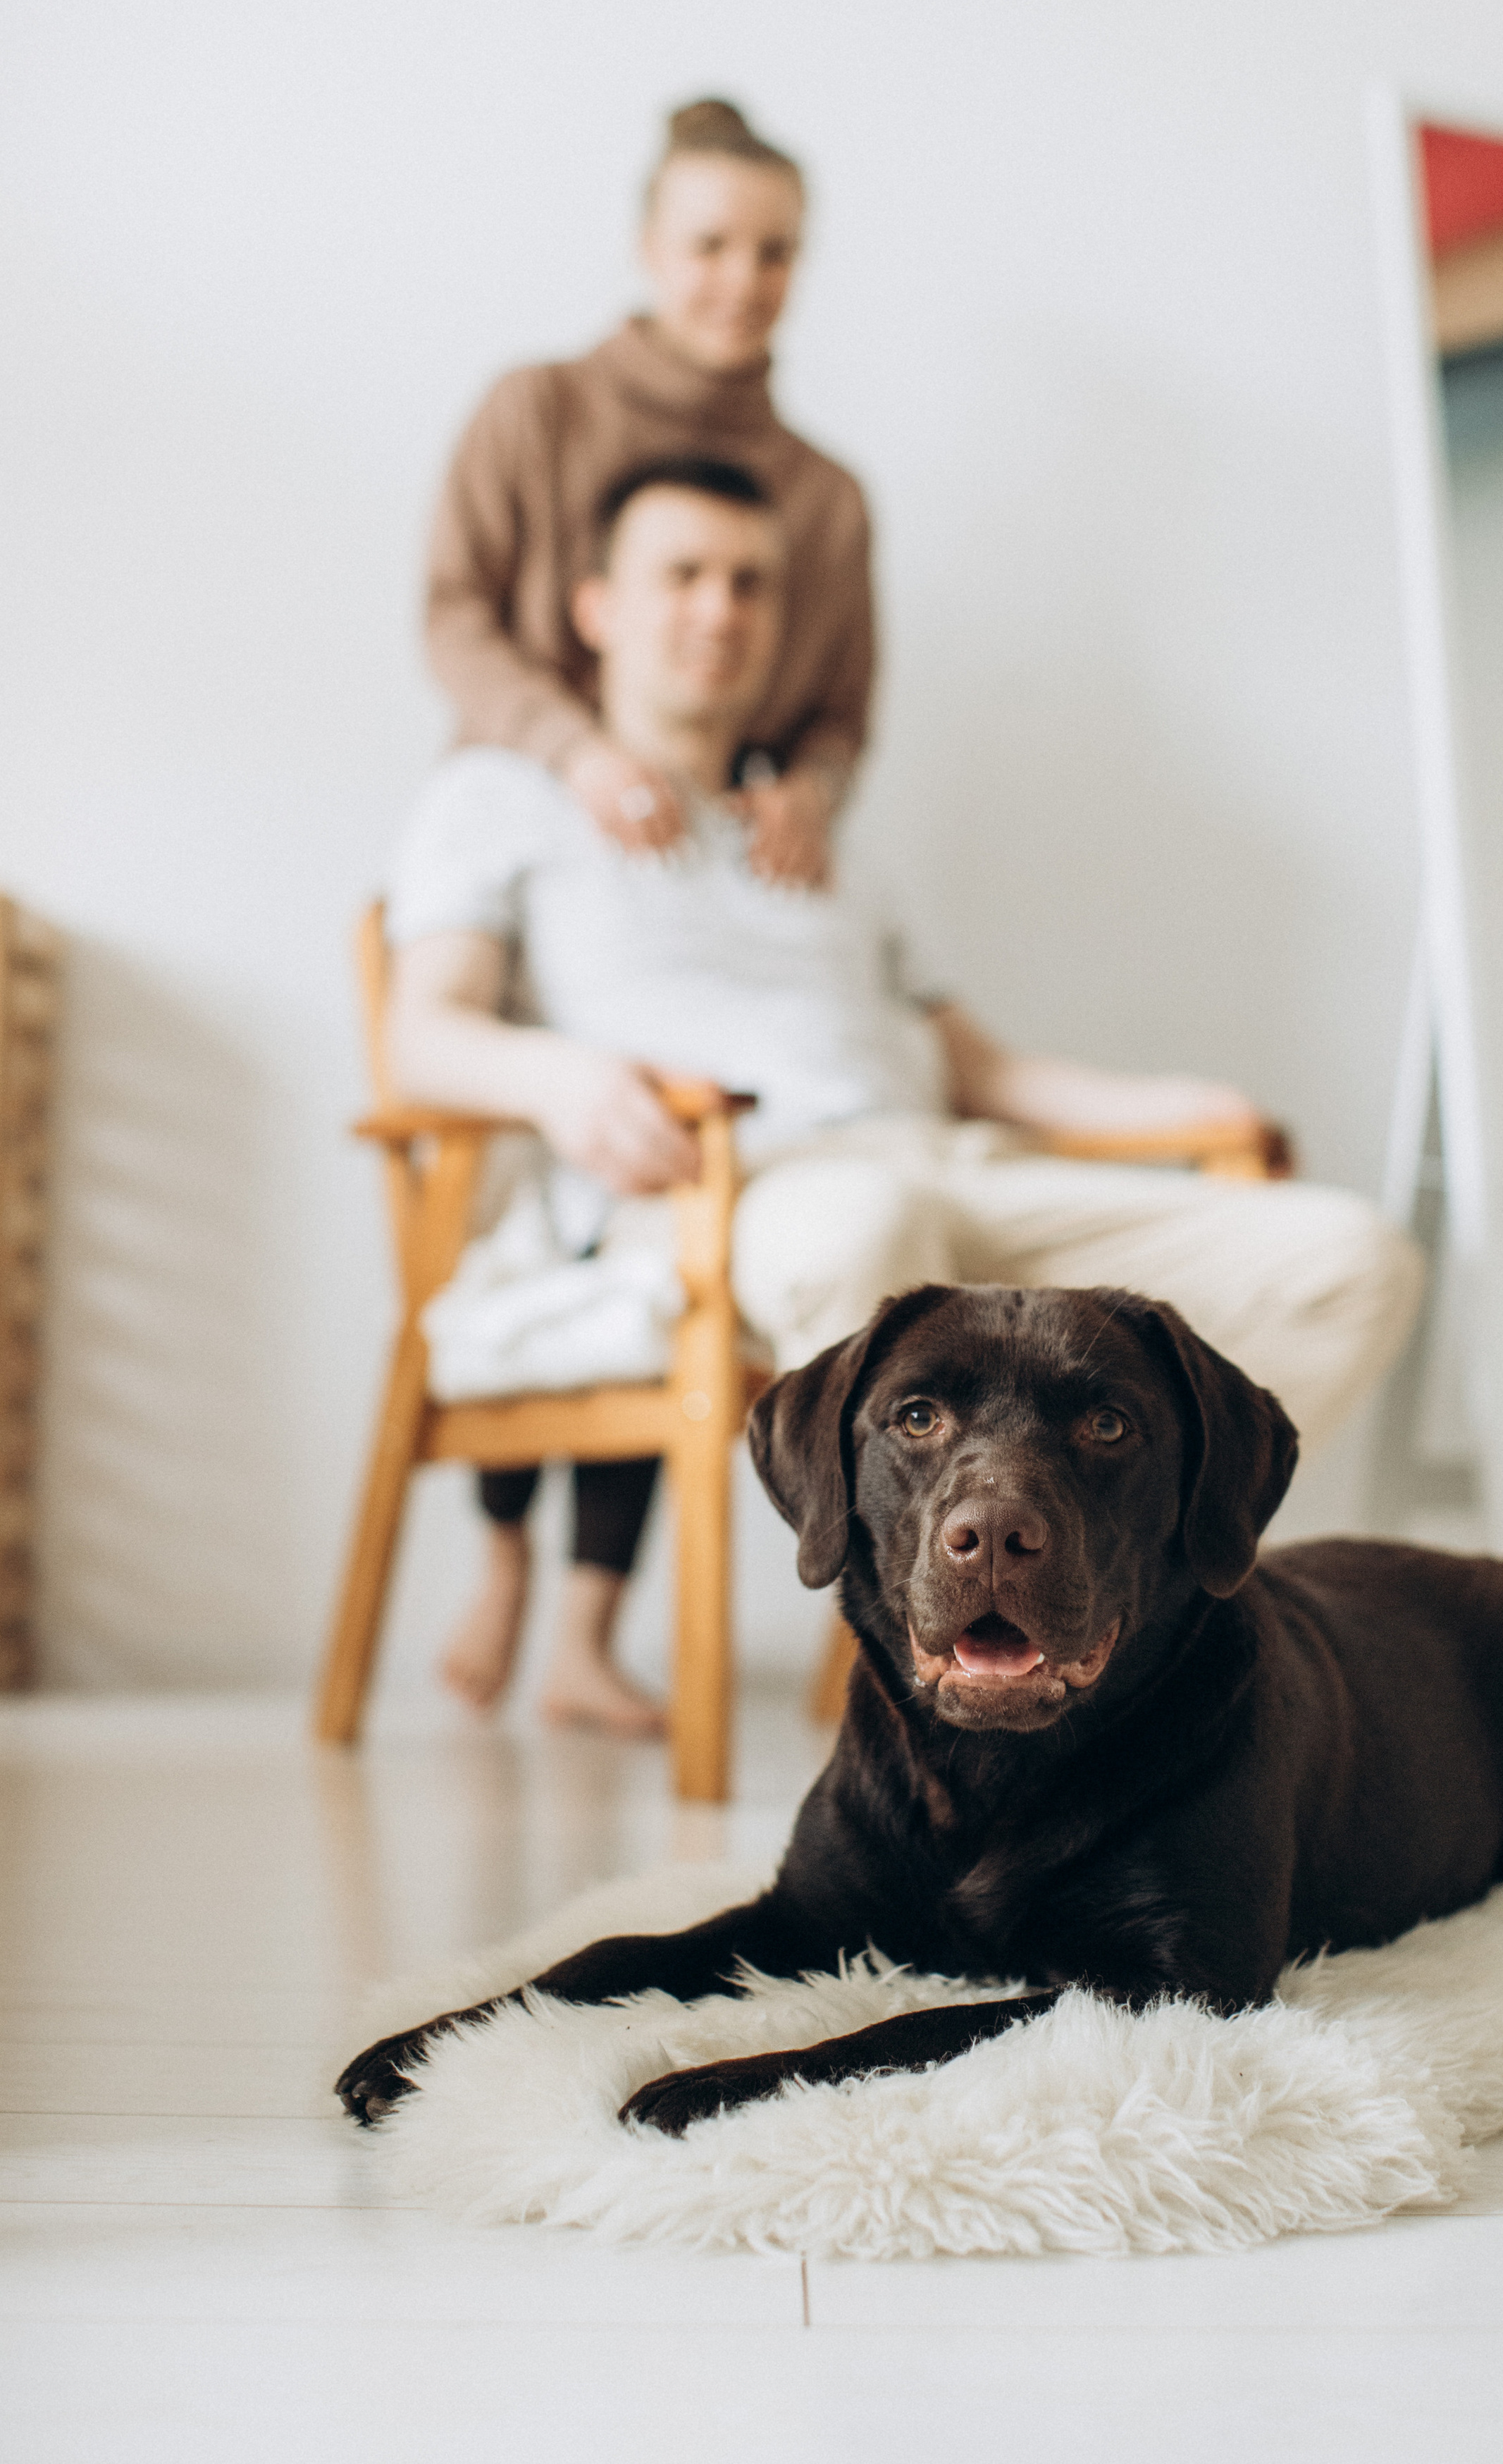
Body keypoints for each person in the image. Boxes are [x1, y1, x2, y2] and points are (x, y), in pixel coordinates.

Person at [385, 460, 1424, 1733]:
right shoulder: (500, 799)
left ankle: (1119, 1598)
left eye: (751, 585)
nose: (721, 609)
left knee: (1351, 1257)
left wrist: (1180, 1106)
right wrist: (560, 1078)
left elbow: (982, 1071)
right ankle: (943, 1664)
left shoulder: (821, 843)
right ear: (599, 607)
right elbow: (418, 1037)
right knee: (869, 1238)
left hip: (954, 1158)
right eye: (685, 577)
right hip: (742, 1183)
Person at [424, 95, 870, 892]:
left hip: (708, 874)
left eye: (775, 254)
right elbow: (454, 616)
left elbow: (839, 720)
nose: (743, 281)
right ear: (649, 249)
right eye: (709, 247)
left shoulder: (829, 502)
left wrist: (810, 796)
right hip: (525, 829)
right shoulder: (537, 413)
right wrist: (578, 756)